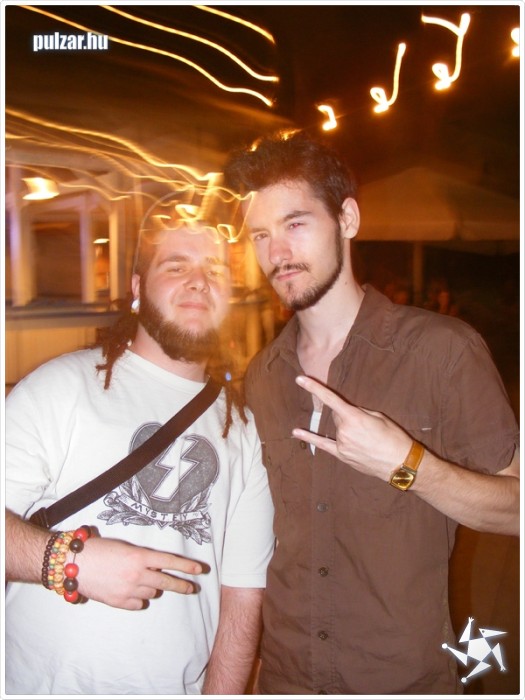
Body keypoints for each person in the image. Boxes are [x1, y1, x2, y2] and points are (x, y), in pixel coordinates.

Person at [223, 130, 520, 695]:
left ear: (348, 219)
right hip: (286, 678)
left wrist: (410, 466)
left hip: (400, 680)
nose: (276, 254)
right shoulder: (262, 376)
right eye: (260, 235)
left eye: (295, 224)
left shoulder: (442, 352)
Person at [4, 199, 275, 695]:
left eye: (215, 270)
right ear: (136, 288)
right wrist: (69, 561)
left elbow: (242, 596)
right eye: (177, 266)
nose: (199, 281)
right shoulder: (62, 387)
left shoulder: (241, 429)